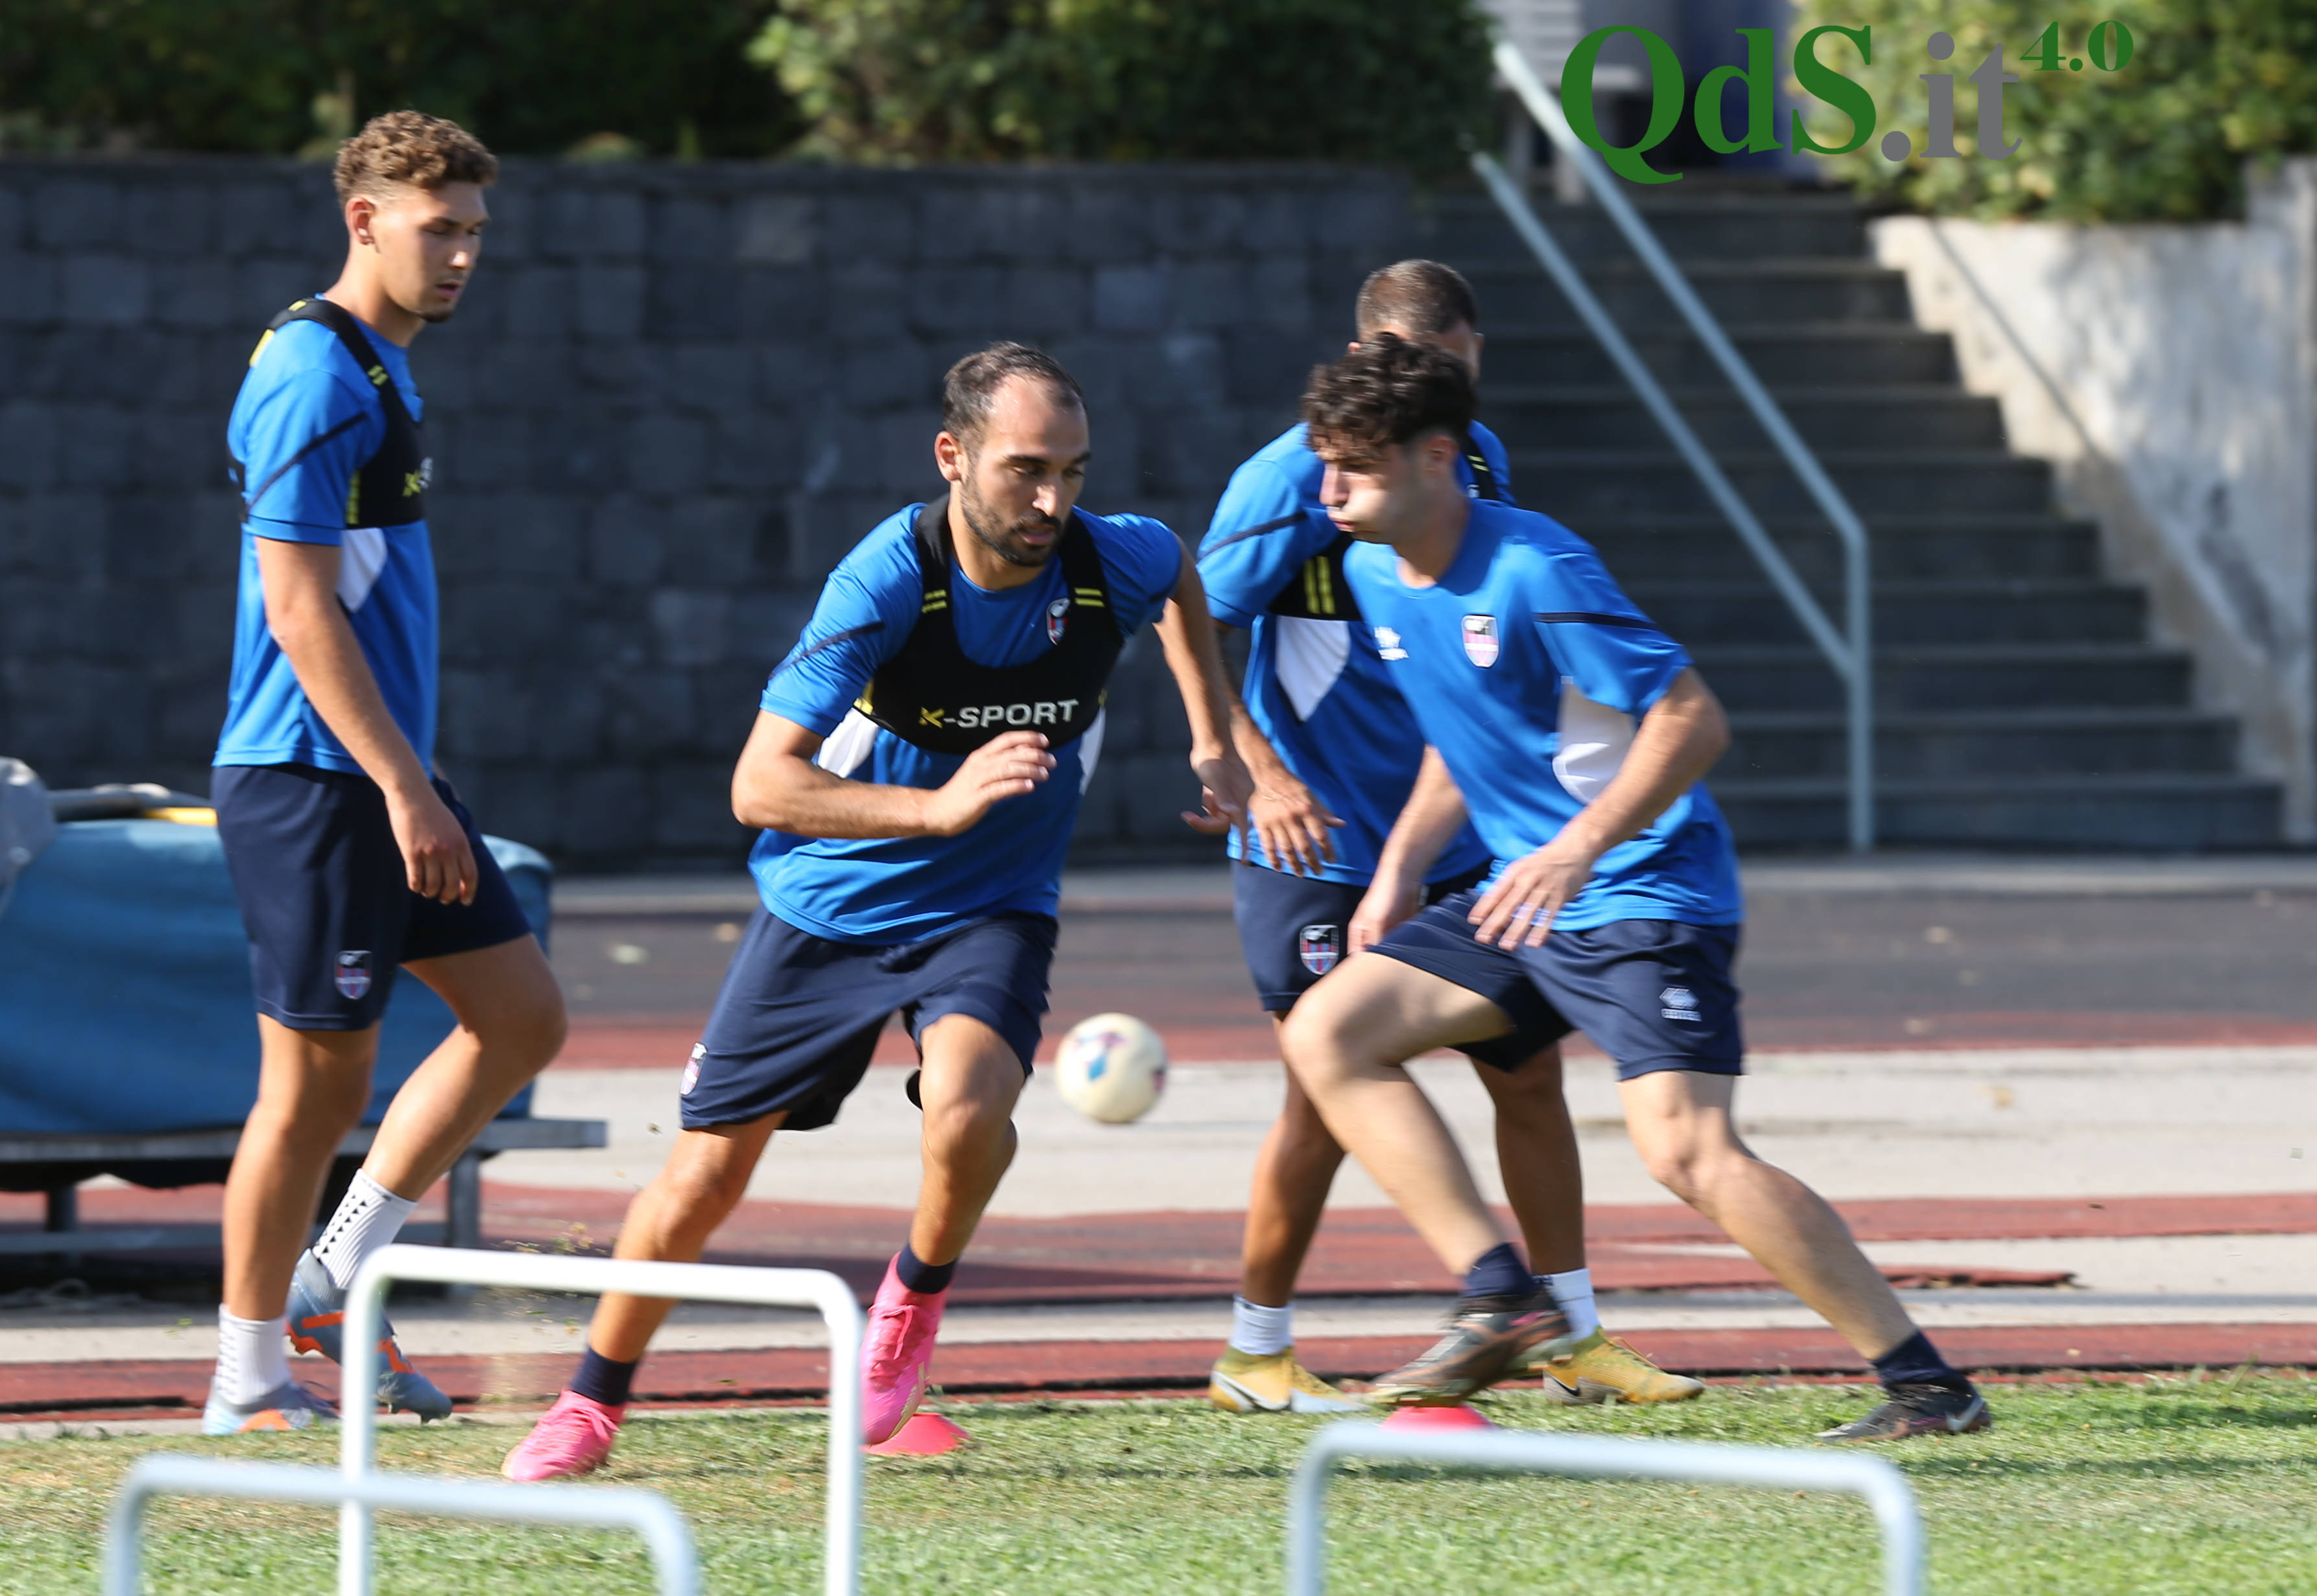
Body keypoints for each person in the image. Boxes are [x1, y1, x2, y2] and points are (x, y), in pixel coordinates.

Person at [500, 344, 1254, 1480]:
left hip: (993, 904)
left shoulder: (1113, 560)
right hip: (829, 899)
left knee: (966, 1106)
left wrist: (1215, 734)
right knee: (705, 1174)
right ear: (952, 458)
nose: (1054, 500)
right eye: (1026, 470)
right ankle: (590, 1403)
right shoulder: (886, 580)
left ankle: (911, 1301)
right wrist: (939, 807)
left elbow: (1180, 578)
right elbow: (760, 785)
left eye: (1075, 471)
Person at [1283, 337, 1991, 1442]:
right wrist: (1402, 870)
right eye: (1324, 466)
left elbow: (1693, 717)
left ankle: (1927, 1384)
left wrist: (1575, 848)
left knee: (1686, 1154)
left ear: (1436, 457)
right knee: (1329, 1031)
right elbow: (1464, 736)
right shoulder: (1373, 570)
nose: (1328, 493)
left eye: (1353, 470)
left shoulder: (1538, 570)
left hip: (1639, 892)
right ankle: (1499, 1293)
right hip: (1519, 899)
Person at [1197, 262, 1698, 1413]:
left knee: (1526, 1073)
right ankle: (1255, 1349)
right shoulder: (1296, 477)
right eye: (1421, 377)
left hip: (1442, 832)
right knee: (1320, 1089)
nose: (1442, 401)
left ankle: (1566, 1332)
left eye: (1458, 380)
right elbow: (1189, 616)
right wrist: (1253, 771)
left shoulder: (1467, 456)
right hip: (1316, 843)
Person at [206, 112, 568, 1434]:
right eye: (440, 229)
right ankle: (247, 1379)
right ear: (363, 220)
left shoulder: (382, 366)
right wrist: (403, 789)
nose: (463, 254)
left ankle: (333, 1270)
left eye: (476, 230)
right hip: (314, 780)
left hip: (383, 773)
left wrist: (410, 778)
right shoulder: (314, 373)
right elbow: (298, 610)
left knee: (521, 1019)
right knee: (312, 1088)